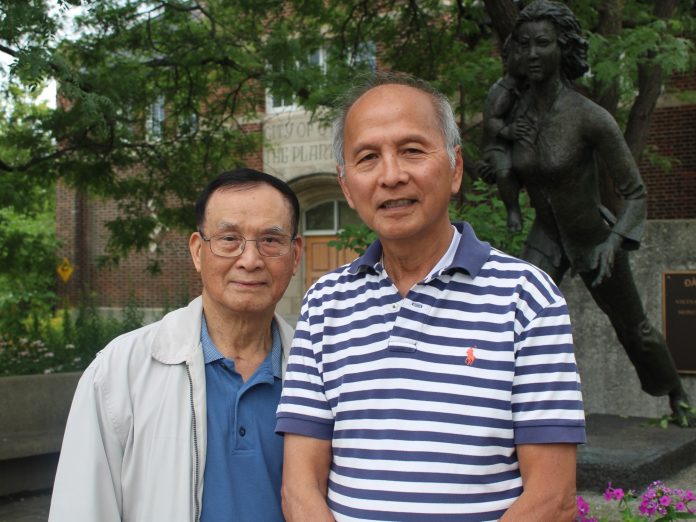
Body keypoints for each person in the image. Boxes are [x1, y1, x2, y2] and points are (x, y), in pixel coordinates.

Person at [276, 71, 586, 521]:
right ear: (346, 185)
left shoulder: (527, 299)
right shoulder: (325, 303)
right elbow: (299, 486)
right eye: (367, 158)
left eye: (412, 151)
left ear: (455, 168)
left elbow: (553, 498)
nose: (391, 175)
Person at [49, 167, 303, 521]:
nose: (250, 259)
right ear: (198, 252)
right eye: (229, 238)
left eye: (270, 241)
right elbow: (81, 509)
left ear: (295, 255)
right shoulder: (121, 371)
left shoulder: (319, 370)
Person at [503, 0, 694, 426]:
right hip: (545, 237)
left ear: (562, 50)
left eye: (544, 44)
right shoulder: (512, 113)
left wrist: (614, 241)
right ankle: (510, 412)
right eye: (526, 45)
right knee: (512, 323)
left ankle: (677, 396)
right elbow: (507, 168)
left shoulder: (590, 117)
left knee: (634, 330)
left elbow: (636, 193)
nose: (533, 54)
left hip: (592, 239)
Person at [478, 36, 527, 232]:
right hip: (497, 145)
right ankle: (513, 210)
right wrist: (509, 131)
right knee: (504, 171)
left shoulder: (530, 87)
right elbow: (492, 121)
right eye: (518, 55)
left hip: (517, 142)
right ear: (507, 60)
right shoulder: (504, 89)